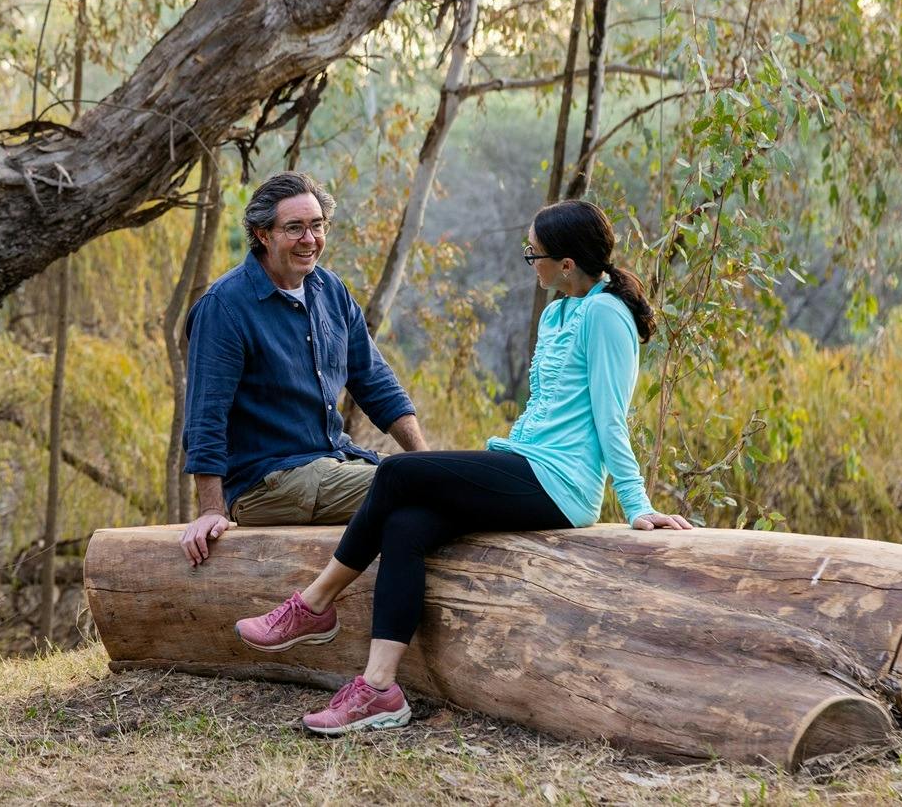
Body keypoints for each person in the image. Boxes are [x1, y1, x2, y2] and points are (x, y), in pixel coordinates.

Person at [232, 198, 694, 736]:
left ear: (566, 264)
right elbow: (545, 407)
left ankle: (313, 603)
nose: (531, 262)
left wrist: (638, 504)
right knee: (405, 526)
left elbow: (612, 418)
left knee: (397, 473)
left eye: (534, 254)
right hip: (523, 464)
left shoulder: (607, 316)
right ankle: (379, 690)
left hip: (561, 484)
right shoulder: (560, 310)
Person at [179, 171, 429, 567]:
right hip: (267, 483)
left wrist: (424, 459)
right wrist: (211, 508)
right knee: (417, 490)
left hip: (333, 464)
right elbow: (206, 416)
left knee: (429, 484)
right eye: (294, 228)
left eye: (317, 226)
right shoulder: (225, 307)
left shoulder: (330, 290)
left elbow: (374, 382)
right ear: (263, 234)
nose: (309, 239)